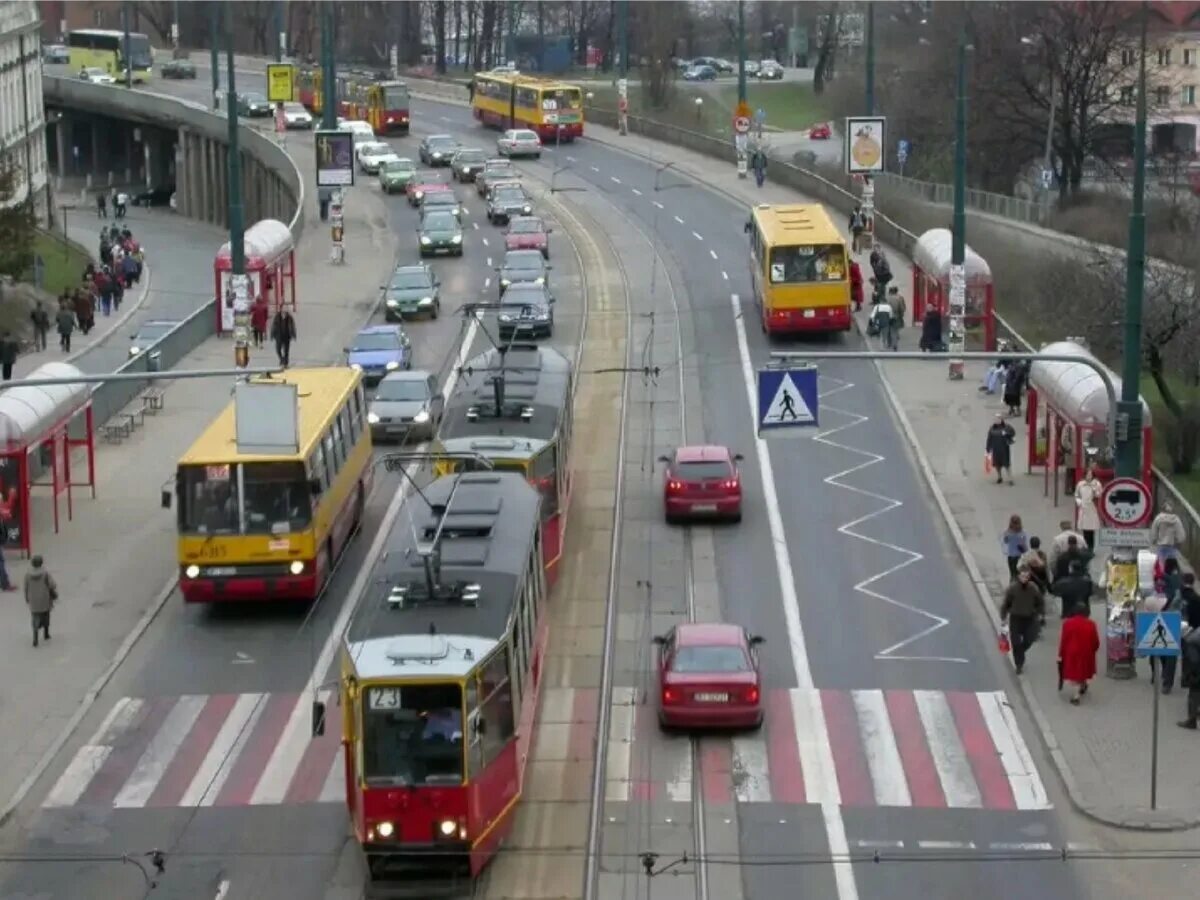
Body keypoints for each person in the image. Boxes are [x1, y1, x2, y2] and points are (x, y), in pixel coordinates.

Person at [1001, 567, 1045, 675]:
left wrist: (1040, 613)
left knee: (1029, 639)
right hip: (1016, 618)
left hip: (1030, 618)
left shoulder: (1033, 588)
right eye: (1023, 576)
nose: (1025, 578)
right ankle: (1019, 664)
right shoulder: (1013, 588)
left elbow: (1040, 602)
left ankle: (1020, 653)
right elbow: (1006, 603)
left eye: (1027, 576)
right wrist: (1003, 617)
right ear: (1019, 576)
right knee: (1016, 643)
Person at [1058, 603, 1099, 705]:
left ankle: (1076, 696)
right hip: (1086, 651)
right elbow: (1095, 641)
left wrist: (1060, 654)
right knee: (1083, 670)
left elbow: (1064, 640)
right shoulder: (1091, 624)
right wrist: (1094, 649)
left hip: (1072, 652)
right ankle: (1083, 684)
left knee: (1075, 674)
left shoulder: (1067, 624)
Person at [23, 555, 56, 648]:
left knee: (35, 618)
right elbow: (52, 585)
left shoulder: (27, 575)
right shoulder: (46, 573)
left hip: (33, 601)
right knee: (46, 616)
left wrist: (27, 598)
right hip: (44, 599)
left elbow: (26, 588)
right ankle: (46, 634)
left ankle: (35, 638)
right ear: (41, 563)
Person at [1178, 605, 1200, 730]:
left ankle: (1191, 721)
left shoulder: (1190, 641)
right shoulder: (1196, 634)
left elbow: (1193, 661)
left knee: (1193, 696)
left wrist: (1191, 676)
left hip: (1197, 673)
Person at [1073, 464, 1103, 552]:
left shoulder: (1097, 484)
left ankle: (1091, 548)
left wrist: (1094, 490)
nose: (1089, 476)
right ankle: (1086, 547)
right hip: (1083, 508)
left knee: (1091, 530)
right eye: (1087, 474)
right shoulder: (1080, 484)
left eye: (1090, 474)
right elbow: (1076, 495)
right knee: (1085, 530)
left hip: (1092, 508)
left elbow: (1099, 495)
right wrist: (1079, 502)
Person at [985, 415, 1016, 485]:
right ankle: (999, 477)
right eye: (996, 419)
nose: (997, 420)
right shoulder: (992, 428)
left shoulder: (1007, 427)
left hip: (1004, 449)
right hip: (996, 449)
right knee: (997, 464)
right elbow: (989, 439)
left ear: (1002, 419)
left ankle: (1010, 479)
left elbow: (1013, 433)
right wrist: (988, 448)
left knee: (1007, 464)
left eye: (999, 419)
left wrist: (1007, 433)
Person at [1001, 514, 1028, 581]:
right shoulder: (1022, 532)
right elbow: (1023, 545)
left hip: (1011, 556)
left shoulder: (1007, 532)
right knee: (1019, 574)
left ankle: (1012, 587)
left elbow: (1006, 541)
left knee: (1012, 574)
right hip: (1019, 556)